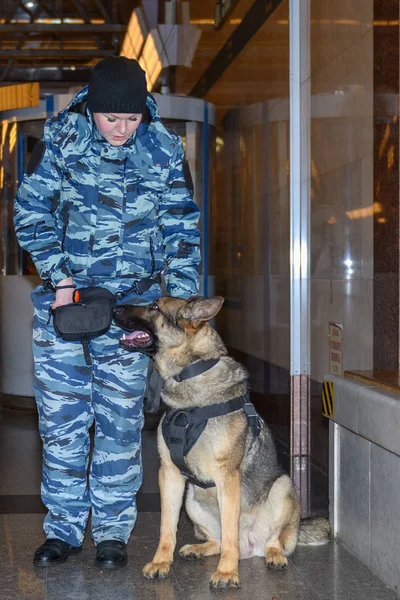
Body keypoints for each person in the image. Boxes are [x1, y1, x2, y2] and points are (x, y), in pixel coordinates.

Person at [13, 56, 200, 570]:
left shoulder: (163, 150)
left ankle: (113, 533)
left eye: (132, 118)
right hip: (68, 310)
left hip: (130, 316)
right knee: (62, 425)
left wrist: (180, 311)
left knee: (119, 425)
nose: (122, 130)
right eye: (112, 119)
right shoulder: (61, 140)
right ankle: (64, 530)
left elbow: (182, 232)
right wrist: (59, 276)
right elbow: (30, 212)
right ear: (93, 108)